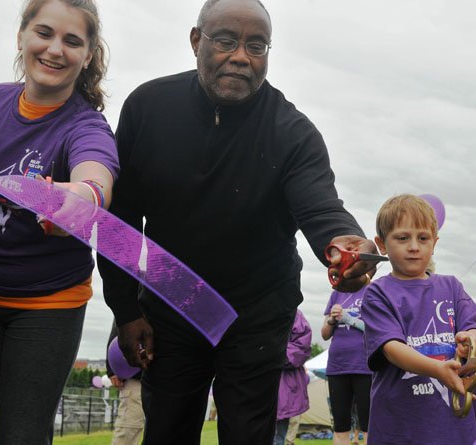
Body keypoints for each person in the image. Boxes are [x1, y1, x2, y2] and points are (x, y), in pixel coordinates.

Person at [96, 1, 376, 443]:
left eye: (257, 45)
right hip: (172, 305)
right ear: (195, 41)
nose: (241, 56)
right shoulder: (147, 108)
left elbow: (320, 206)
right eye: (226, 40)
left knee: (248, 434)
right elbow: (119, 222)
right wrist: (126, 311)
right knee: (167, 430)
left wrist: (344, 242)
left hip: (256, 313)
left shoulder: (293, 132)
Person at [0, 1, 117, 443]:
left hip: (48, 306)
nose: (55, 49)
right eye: (44, 33)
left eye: (72, 41)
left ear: (88, 54)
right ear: (21, 37)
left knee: (24, 434)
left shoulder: (87, 126)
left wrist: (84, 197)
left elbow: (96, 172)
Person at [361, 194, 476, 445]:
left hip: (455, 420)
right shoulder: (378, 292)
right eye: (402, 238)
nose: (414, 246)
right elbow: (390, 348)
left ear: (435, 242)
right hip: (402, 422)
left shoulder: (452, 286)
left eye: (423, 238)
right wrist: (437, 369)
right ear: (381, 244)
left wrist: (470, 341)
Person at [321, 287, 371, 445]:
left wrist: (350, 319)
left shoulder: (372, 291)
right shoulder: (337, 293)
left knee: (369, 425)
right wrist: (332, 320)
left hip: (365, 367)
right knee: (340, 427)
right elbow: (324, 334)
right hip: (338, 366)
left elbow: (378, 329)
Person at [274, 310, 312, 445]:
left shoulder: (292, 312)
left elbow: (302, 345)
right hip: (251, 386)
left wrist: (271, 354)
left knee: (278, 438)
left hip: (283, 391)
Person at [106, 322, 145, 445]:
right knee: (128, 430)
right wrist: (112, 369)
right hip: (136, 376)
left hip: (169, 374)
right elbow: (121, 325)